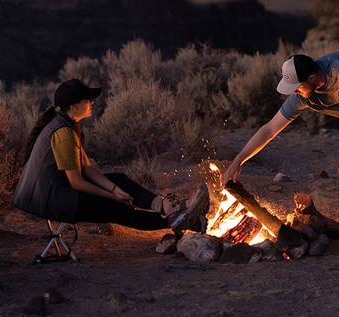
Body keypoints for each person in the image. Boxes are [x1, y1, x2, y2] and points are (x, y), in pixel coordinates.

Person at [221, 51, 339, 249]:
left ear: (313, 78)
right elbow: (270, 129)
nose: (294, 93)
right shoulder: (303, 96)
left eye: (297, 88)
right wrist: (238, 161)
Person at [13, 79, 209, 235]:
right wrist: (112, 196)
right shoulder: (63, 133)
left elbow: (88, 168)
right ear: (73, 106)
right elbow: (76, 182)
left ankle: (164, 206)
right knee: (116, 208)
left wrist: (115, 188)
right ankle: (179, 222)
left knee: (120, 180)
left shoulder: (70, 124)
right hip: (52, 200)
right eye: (86, 99)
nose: (91, 102)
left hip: (60, 191)